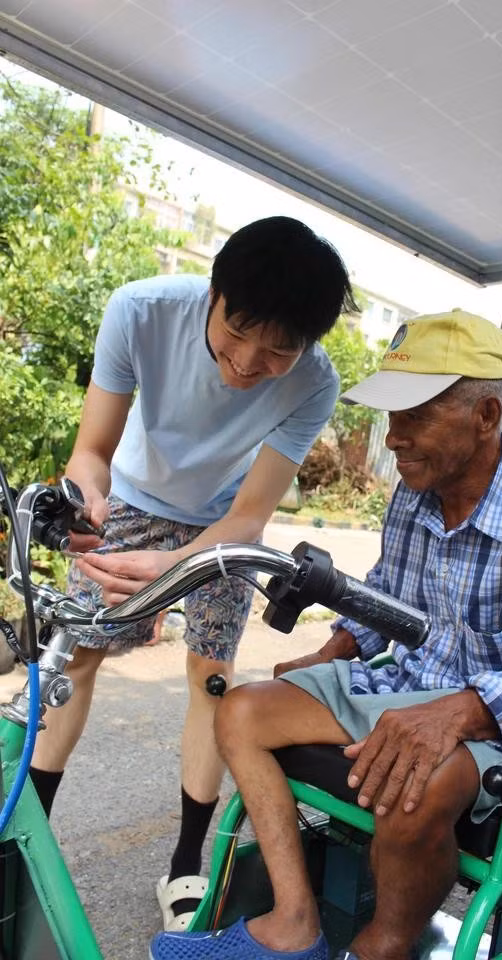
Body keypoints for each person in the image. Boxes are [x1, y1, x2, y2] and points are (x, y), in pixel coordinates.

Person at [150, 308, 502, 960]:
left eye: (415, 415)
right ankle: (295, 921)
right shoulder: (416, 491)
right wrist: (333, 649)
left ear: (485, 417)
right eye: (393, 417)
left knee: (412, 788)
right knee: (242, 712)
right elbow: (384, 596)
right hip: (408, 687)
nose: (393, 438)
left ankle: (382, 946)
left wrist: (454, 713)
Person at [29, 215, 358, 932]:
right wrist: (86, 502)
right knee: (77, 655)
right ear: (213, 292)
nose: (246, 363)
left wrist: (177, 564)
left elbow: (249, 518)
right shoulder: (140, 311)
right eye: (236, 332)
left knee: (212, 676)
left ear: (308, 344)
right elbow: (93, 451)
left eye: (277, 351)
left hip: (221, 524)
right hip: (131, 499)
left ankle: (184, 865)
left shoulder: (315, 383)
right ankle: (28, 841)